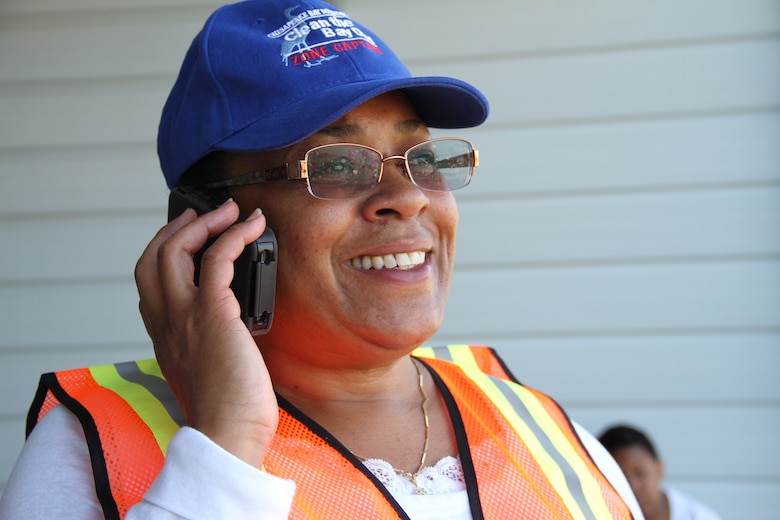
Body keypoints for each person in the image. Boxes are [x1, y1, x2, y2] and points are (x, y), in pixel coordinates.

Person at [0, 1, 644, 518]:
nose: (408, 197)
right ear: (204, 223)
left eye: (426, 158)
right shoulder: (96, 447)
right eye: (336, 165)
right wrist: (227, 443)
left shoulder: (545, 429)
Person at [598, 425, 721, 520]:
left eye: (640, 473)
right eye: (619, 476)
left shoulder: (699, 517)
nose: (633, 487)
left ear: (659, 468)